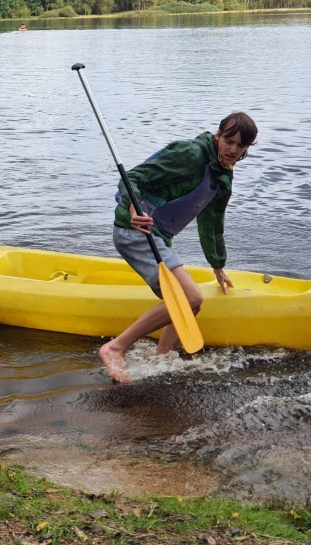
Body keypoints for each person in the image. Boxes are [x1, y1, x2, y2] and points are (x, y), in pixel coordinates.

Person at [99, 112, 258, 383]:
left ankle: (161, 359)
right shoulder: (190, 154)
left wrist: (218, 265)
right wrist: (132, 207)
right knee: (191, 298)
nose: (233, 150)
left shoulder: (223, 177)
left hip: (160, 237)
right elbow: (134, 177)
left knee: (190, 304)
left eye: (241, 146)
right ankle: (115, 348)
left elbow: (211, 223)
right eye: (229, 141)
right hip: (135, 230)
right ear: (218, 135)